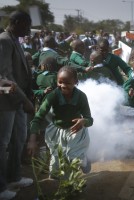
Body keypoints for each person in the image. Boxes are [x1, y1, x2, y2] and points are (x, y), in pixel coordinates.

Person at [27, 66, 94, 177]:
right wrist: (32, 140)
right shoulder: (52, 96)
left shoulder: (81, 96)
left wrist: (83, 121)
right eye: (60, 82)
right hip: (56, 132)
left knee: (73, 159)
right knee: (56, 170)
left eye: (67, 83)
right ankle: (65, 185)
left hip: (75, 131)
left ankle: (84, 161)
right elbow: (38, 118)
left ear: (76, 82)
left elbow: (90, 120)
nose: (63, 86)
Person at [0, 10, 35, 200]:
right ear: (18, 22)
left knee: (19, 139)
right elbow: (5, 77)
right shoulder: (4, 40)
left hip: (18, 101)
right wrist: (25, 100)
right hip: (6, 102)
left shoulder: (14, 40)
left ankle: (14, 177)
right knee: (3, 143)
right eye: (27, 25)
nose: (29, 29)